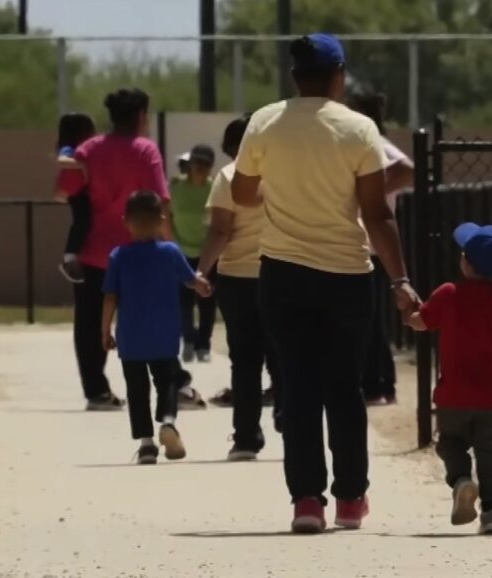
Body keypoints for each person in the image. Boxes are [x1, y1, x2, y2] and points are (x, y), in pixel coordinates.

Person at [231, 33, 419, 533]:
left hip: (282, 273)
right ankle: (351, 499)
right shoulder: (358, 128)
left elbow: (243, 193)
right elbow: (377, 213)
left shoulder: (264, 123)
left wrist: (280, 192)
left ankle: (306, 501)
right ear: (338, 75)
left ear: (294, 76)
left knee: (297, 387)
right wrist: (399, 278)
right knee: (344, 388)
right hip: (346, 275)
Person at [407, 223, 492, 536]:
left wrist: (409, 312)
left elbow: (420, 323)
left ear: (466, 263)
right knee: (491, 454)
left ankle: (461, 480)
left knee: (449, 444)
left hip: (453, 396)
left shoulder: (448, 294)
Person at [58, 88, 172, 411]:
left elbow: (65, 190)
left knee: (90, 321)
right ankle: (157, 381)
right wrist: (169, 244)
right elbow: (160, 200)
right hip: (138, 250)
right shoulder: (145, 150)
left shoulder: (89, 149)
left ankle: (95, 390)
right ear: (140, 116)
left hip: (94, 250)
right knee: (141, 317)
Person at [102, 191, 212, 465]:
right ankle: (168, 422)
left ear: (126, 221)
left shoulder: (119, 256)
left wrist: (104, 330)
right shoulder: (170, 252)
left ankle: (147, 444)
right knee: (168, 382)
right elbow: (190, 279)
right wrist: (202, 284)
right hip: (164, 336)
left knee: (137, 390)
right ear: (162, 220)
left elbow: (110, 297)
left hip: (131, 339)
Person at [196, 113, 282, 460]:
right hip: (282, 273)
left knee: (245, 360)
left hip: (238, 279)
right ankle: (289, 416)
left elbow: (220, 231)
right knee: (284, 355)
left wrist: (201, 270)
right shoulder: (284, 175)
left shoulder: (229, 177)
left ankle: (246, 437)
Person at [347, 92, 415, 406]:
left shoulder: (374, 142)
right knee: (369, 319)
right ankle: (379, 383)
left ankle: (376, 384)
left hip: (371, 246)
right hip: (365, 244)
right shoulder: (363, 144)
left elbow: (406, 169)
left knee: (369, 320)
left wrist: (369, 194)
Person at [171, 144, 218, 363]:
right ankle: (188, 339)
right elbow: (167, 217)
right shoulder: (176, 187)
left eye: (205, 164)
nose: (200, 167)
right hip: (182, 252)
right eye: (197, 162)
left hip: (208, 252)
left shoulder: (214, 188)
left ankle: (203, 344)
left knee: (207, 300)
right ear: (190, 164)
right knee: (184, 301)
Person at [54, 112, 97, 284]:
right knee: (82, 222)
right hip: (78, 194)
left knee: (86, 221)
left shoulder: (87, 149)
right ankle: (69, 257)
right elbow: (61, 160)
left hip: (83, 192)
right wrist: (82, 165)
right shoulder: (70, 149)